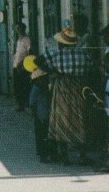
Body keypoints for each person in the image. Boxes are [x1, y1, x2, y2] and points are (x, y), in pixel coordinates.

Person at [35, 19, 92, 165]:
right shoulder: (83, 54)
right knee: (79, 119)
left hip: (62, 86)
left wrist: (52, 71)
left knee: (60, 119)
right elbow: (91, 67)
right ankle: (82, 155)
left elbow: (38, 61)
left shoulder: (56, 54)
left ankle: (64, 155)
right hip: (78, 87)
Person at [28, 64, 57, 163]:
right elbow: (32, 103)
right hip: (40, 116)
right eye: (44, 78)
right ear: (38, 79)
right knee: (41, 137)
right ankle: (43, 155)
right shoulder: (37, 88)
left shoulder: (45, 87)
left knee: (49, 136)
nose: (46, 80)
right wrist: (35, 114)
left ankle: (52, 154)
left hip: (47, 115)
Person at [12, 22, 32, 111]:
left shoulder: (26, 39)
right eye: (17, 29)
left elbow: (29, 52)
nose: (18, 31)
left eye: (19, 29)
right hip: (16, 64)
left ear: (23, 29)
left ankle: (23, 104)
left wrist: (23, 62)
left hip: (23, 65)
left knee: (23, 85)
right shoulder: (19, 40)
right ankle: (19, 104)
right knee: (17, 86)